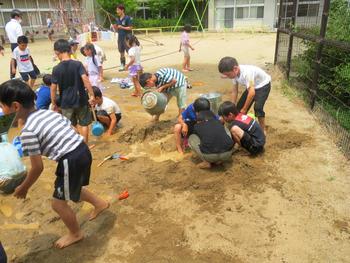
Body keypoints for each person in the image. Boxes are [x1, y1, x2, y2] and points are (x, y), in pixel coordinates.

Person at [0, 79, 109, 249]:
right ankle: (100, 204)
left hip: (69, 159)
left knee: (57, 203)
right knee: (72, 186)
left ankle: (75, 233)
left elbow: (37, 168)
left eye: (2, 106)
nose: (2, 110)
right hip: (82, 149)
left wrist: (24, 187)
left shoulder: (28, 132)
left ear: (15, 107)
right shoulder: (48, 113)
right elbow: (72, 129)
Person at [51, 39, 95, 144]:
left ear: (57, 52)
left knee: (70, 125)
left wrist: (53, 103)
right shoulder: (78, 64)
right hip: (81, 99)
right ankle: (85, 145)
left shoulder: (56, 68)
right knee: (84, 124)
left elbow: (53, 88)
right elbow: (85, 80)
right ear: (69, 50)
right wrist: (92, 95)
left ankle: (77, 143)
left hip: (66, 101)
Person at [218, 56, 271, 134]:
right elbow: (235, 90)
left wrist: (245, 109)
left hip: (263, 86)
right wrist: (232, 106)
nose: (228, 77)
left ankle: (263, 129)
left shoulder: (247, 73)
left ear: (235, 69)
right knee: (238, 108)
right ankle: (239, 125)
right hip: (251, 87)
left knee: (258, 108)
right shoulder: (234, 74)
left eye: (228, 75)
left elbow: (252, 93)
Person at [114, 4, 133, 71]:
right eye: (117, 10)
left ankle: (132, 65)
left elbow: (130, 28)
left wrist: (122, 27)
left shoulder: (128, 18)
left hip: (127, 38)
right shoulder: (117, 19)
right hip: (120, 38)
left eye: (118, 10)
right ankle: (122, 65)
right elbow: (117, 28)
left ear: (122, 10)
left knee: (130, 52)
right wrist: (115, 27)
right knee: (121, 52)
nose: (117, 11)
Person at [5, 9, 23, 79]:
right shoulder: (17, 25)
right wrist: (23, 44)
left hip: (12, 44)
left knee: (15, 60)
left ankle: (12, 76)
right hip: (19, 43)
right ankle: (35, 73)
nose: (20, 18)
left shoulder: (7, 24)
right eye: (20, 16)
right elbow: (20, 36)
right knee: (25, 58)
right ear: (16, 17)